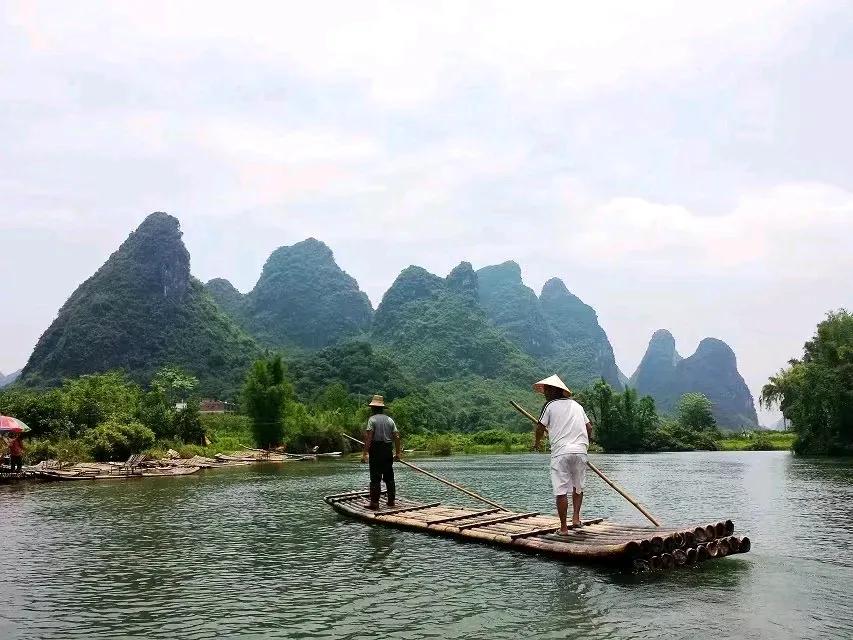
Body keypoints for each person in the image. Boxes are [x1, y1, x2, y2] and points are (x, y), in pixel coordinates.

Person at [533, 374, 592, 533]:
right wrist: (586, 444)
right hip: (580, 451)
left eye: (546, 390)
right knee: (578, 487)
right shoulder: (578, 406)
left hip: (561, 452)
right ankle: (576, 519)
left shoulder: (549, 405)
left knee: (560, 491)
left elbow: (540, 428)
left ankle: (564, 528)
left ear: (554, 390)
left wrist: (537, 443)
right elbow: (589, 428)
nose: (544, 393)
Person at [361, 394, 402, 509]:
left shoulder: (372, 419)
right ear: (382, 408)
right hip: (388, 450)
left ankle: (374, 503)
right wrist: (398, 453)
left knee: (375, 477)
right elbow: (397, 437)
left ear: (373, 408)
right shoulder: (390, 420)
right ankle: (391, 501)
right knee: (389, 477)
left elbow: (369, 438)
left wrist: (365, 453)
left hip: (376, 450)